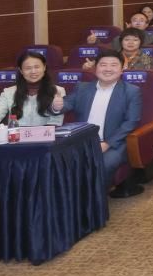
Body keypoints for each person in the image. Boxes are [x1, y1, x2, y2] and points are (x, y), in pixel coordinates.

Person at [59, 51, 143, 195]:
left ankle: (94, 203)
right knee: (60, 161)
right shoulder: (82, 88)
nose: (108, 69)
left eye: (114, 65)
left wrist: (107, 143)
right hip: (82, 142)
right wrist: (56, 106)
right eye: (103, 65)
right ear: (95, 68)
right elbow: (64, 105)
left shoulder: (131, 91)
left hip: (114, 144)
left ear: (122, 69)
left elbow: (131, 122)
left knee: (103, 164)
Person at [0, 51, 66, 126]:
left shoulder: (57, 91)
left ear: (44, 68)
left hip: (45, 139)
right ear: (21, 71)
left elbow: (56, 122)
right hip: (16, 139)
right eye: (28, 68)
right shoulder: (8, 93)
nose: (33, 71)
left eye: (37, 67)